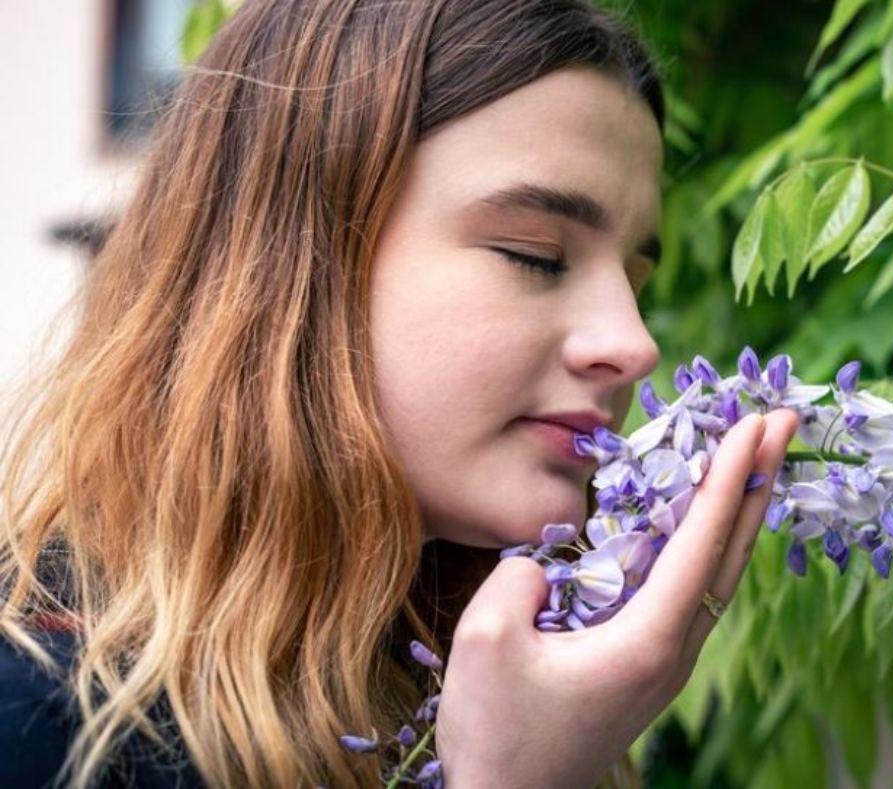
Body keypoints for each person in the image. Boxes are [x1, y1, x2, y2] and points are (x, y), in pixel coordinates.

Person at [0, 1, 797, 786]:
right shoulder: (34, 716)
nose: (634, 344)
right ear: (296, 264)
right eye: (537, 256)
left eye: (635, 282)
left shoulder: (457, 687)